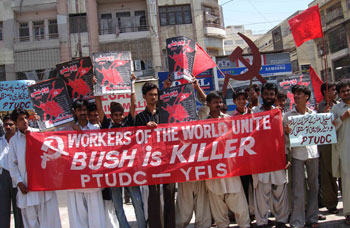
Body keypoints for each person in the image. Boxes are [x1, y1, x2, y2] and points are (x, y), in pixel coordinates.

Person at [95, 75, 146, 228]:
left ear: (123, 115)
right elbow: (99, 106)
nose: (118, 118)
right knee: (117, 203)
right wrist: (97, 87)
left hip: (129, 167)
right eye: (115, 115)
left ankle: (142, 225)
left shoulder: (128, 122)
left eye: (120, 115)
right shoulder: (106, 124)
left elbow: (134, 105)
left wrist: (132, 84)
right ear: (111, 115)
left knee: (136, 199)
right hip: (113, 169)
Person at [8, 108, 62, 228]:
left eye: (26, 118)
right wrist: (19, 182)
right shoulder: (14, 142)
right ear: (16, 123)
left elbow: (54, 146)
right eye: (21, 119)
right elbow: (13, 165)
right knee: (31, 222)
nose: (25, 121)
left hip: (44, 186)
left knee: (49, 221)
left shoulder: (39, 133)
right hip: (27, 188)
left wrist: (44, 124)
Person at [204, 91, 250, 228]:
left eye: (220, 102)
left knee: (239, 202)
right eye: (215, 102)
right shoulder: (202, 123)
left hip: (230, 167)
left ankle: (245, 225)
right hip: (213, 168)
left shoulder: (230, 120)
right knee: (217, 205)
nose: (218, 105)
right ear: (208, 104)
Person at [135, 82, 175, 228]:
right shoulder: (139, 117)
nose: (154, 97)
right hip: (150, 162)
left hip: (167, 159)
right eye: (151, 95)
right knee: (154, 195)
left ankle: (170, 224)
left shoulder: (165, 114)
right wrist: (146, 129)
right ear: (144, 96)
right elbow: (136, 140)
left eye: (156, 94)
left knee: (170, 193)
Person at [251, 83, 290, 228]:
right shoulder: (254, 111)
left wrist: (286, 156)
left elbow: (284, 137)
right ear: (262, 95)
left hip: (277, 157)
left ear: (275, 96)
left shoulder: (280, 113)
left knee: (280, 190)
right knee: (262, 192)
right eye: (266, 94)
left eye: (271, 95)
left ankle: (281, 220)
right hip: (261, 158)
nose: (268, 97)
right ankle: (261, 222)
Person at [175, 79, 212, 228]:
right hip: (184, 169)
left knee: (202, 208)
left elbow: (208, 103)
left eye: (189, 102)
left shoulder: (200, 117)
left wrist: (197, 87)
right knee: (183, 208)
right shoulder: (174, 121)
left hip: (200, 167)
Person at [65, 99, 107, 228]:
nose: (82, 113)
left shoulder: (95, 128)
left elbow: (98, 149)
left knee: (96, 215)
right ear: (75, 112)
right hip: (74, 178)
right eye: (80, 110)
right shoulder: (67, 129)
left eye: (84, 110)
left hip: (91, 177)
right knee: (78, 216)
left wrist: (80, 132)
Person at [284, 85, 319, 228]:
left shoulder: (314, 115)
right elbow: (285, 138)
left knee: (314, 187)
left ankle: (312, 218)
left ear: (307, 97)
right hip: (297, 154)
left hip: (313, 153)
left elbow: (323, 133)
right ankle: (297, 221)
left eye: (299, 94)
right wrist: (287, 133)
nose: (296, 96)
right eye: (295, 94)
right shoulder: (288, 116)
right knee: (298, 189)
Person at [317, 82, 339, 214]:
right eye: (332, 90)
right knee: (327, 175)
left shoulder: (339, 105)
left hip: (339, 143)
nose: (335, 92)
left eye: (336, 90)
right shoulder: (319, 107)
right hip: (326, 146)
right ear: (325, 92)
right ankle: (331, 204)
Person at [331, 79, 350, 225]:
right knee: (347, 182)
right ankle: (348, 212)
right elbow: (329, 129)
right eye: (343, 91)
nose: (346, 93)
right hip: (345, 149)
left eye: (348, 90)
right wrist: (341, 119)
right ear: (339, 94)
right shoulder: (336, 110)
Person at [0, 114, 24, 228]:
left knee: (19, 208)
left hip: (18, 176)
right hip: (3, 176)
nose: (8, 127)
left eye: (11, 124)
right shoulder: (0, 141)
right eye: (6, 125)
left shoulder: (20, 141)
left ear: (15, 125)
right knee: (2, 208)